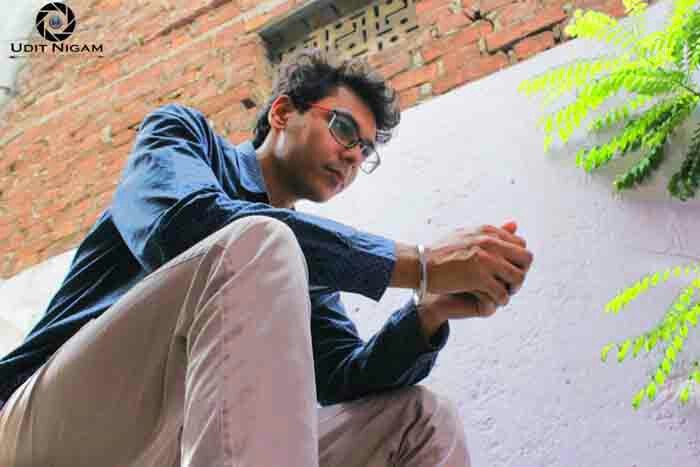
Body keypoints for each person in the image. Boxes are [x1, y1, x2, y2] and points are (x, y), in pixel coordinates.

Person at [0, 48, 533, 467]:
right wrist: (417, 263)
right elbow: (183, 227)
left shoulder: (295, 264)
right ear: (281, 112)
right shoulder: (182, 137)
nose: (353, 155)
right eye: (344, 129)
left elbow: (342, 378)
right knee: (263, 241)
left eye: (366, 151)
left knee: (422, 419)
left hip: (177, 448)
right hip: (44, 427)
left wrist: (426, 313)